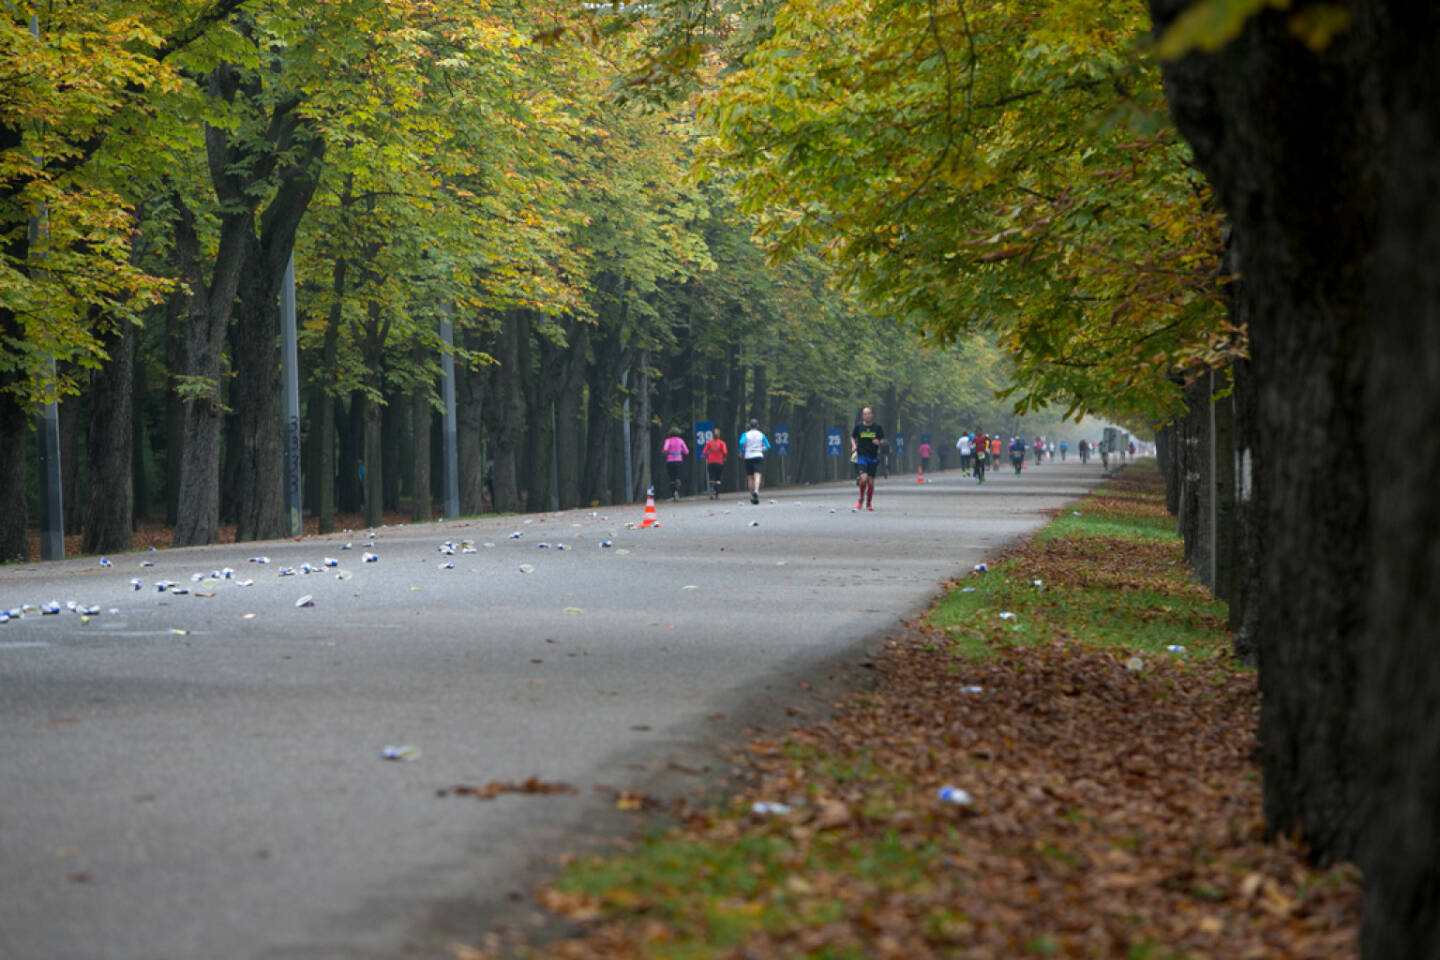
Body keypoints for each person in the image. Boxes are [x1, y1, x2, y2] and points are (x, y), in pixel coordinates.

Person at [850, 407, 887, 510]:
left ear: (872, 415)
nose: (867, 416)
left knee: (870, 481)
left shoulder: (877, 427)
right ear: (862, 416)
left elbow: (884, 440)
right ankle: (861, 498)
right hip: (861, 455)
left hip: (873, 457)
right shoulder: (859, 426)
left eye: (869, 414)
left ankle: (869, 503)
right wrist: (853, 446)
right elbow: (852, 437)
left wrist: (879, 442)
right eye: (865, 414)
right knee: (864, 478)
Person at [738, 419, 770, 504]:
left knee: (750, 477)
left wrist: (741, 451)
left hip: (748, 456)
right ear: (757, 426)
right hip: (758, 455)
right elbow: (768, 446)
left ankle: (752, 495)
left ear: (749, 426)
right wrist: (761, 449)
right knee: (757, 476)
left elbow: (741, 442)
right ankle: (756, 491)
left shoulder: (745, 434)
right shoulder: (761, 434)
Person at [661, 427, 690, 501]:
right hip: (678, 461)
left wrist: (667, 452)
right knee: (677, 476)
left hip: (670, 461)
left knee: (672, 478)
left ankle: (674, 493)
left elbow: (665, 449)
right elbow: (686, 451)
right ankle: (677, 488)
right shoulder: (681, 441)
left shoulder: (668, 440)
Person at [701, 428, 727, 499]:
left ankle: (712, 491)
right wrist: (723, 457)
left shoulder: (709, 443)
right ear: (719, 435)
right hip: (719, 462)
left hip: (711, 462)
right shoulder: (722, 443)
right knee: (718, 478)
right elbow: (725, 452)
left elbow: (704, 452)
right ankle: (717, 494)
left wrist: (708, 456)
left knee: (712, 478)